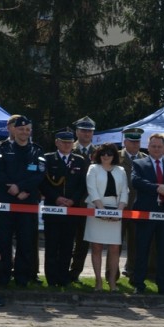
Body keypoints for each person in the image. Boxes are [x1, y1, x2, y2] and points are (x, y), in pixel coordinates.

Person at [0, 115, 45, 287]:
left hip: (27, 202)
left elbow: (39, 175)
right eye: (21, 129)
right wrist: (13, 189)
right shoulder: (2, 148)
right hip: (6, 201)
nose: (24, 132)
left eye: (27, 129)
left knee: (25, 241)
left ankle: (22, 278)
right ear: (14, 130)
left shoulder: (37, 151)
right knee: (3, 241)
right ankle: (3, 277)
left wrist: (22, 188)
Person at [130, 133, 164, 295]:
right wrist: (157, 188)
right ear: (148, 147)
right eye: (153, 146)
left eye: (159, 146)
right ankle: (139, 284)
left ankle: (163, 285)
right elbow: (136, 181)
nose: (156, 149)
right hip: (146, 212)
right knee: (142, 249)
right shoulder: (139, 163)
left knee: (163, 250)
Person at [40, 130, 88, 288]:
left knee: (67, 246)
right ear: (57, 142)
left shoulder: (79, 160)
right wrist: (56, 198)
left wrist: (73, 200)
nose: (67, 145)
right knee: (52, 245)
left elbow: (83, 185)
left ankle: (63, 277)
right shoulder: (47, 159)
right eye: (64, 142)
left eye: (70, 142)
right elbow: (42, 183)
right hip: (53, 208)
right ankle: (51, 279)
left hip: (72, 210)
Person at [85, 142, 129, 292]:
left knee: (115, 248)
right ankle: (98, 281)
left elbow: (124, 191)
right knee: (96, 247)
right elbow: (92, 189)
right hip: (96, 208)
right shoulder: (93, 168)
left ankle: (112, 282)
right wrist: (101, 210)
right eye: (103, 153)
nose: (106, 156)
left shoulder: (121, 170)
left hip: (116, 209)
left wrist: (119, 211)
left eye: (109, 153)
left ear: (114, 155)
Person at [69, 116, 96, 281]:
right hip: (70, 201)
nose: (86, 134)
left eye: (89, 131)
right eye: (83, 130)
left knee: (83, 241)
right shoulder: (68, 147)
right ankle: (61, 270)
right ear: (77, 132)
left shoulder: (99, 152)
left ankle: (75, 273)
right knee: (66, 238)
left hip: (89, 202)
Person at [118, 126, 145, 279]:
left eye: (137, 141)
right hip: (119, 206)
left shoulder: (145, 159)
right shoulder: (116, 157)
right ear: (125, 142)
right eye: (132, 141)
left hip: (138, 207)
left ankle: (132, 271)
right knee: (115, 242)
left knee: (135, 243)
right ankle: (112, 273)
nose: (135, 144)